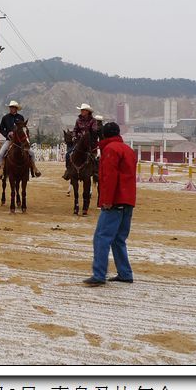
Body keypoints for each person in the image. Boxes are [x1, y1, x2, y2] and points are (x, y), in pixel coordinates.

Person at [83, 122, 137, 286]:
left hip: (115, 201)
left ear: (104, 135)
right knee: (119, 239)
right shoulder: (128, 150)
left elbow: (109, 177)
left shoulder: (110, 150)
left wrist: (106, 200)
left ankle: (99, 275)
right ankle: (125, 273)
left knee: (101, 237)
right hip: (128, 200)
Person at [0, 100, 41, 179]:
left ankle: (34, 168)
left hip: (20, 142)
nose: (11, 109)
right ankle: (1, 169)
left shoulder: (21, 117)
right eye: (10, 107)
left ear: (16, 109)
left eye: (13, 107)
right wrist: (7, 134)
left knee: (32, 153)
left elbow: (23, 128)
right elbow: (1, 129)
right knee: (0, 154)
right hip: (9, 140)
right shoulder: (5, 118)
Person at [63, 103, 98, 181]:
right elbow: (75, 130)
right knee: (68, 154)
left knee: (93, 156)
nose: (81, 111)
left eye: (83, 110)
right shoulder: (78, 120)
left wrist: (88, 136)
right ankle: (68, 170)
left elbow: (94, 131)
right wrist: (75, 136)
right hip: (78, 142)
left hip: (89, 142)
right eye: (81, 110)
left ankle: (95, 171)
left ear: (88, 111)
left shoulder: (93, 121)